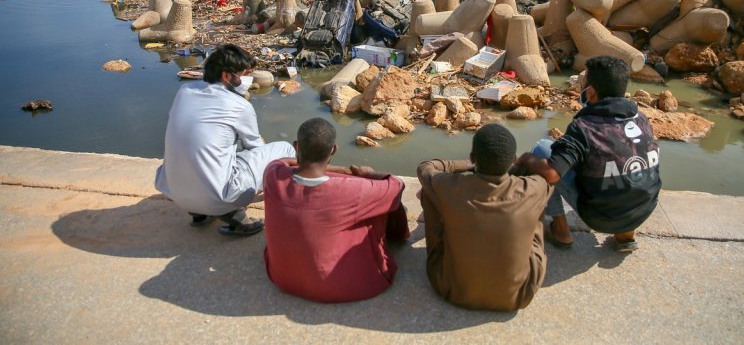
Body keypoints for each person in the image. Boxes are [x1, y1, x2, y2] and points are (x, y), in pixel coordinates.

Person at [517, 55, 661, 252]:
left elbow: (552, 173)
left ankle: (561, 231)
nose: (580, 86)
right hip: (645, 210)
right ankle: (625, 235)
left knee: (542, 148)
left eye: (583, 83)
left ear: (591, 91)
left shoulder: (584, 127)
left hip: (599, 217)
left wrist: (526, 158)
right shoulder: (642, 119)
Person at [263, 118, 409, 303]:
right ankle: (397, 239)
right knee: (383, 205)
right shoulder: (352, 190)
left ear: (296, 146)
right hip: (344, 288)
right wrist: (360, 172)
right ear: (333, 149)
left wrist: (340, 170)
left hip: (283, 279)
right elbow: (395, 185)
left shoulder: (272, 174)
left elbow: (284, 162)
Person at [155, 44, 295, 236]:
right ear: (226, 76)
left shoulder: (184, 91)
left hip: (175, 193)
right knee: (286, 149)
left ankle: (199, 213)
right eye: (242, 74)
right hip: (217, 198)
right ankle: (278, 211)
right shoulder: (238, 105)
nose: (244, 79)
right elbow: (254, 147)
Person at [417, 123, 553, 312]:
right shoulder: (534, 188)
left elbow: (426, 167)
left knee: (428, 192)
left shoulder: (449, 186)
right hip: (519, 296)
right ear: (512, 159)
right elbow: (549, 176)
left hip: (451, 290)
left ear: (474, 158)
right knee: (535, 208)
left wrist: (468, 165)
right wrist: (523, 163)